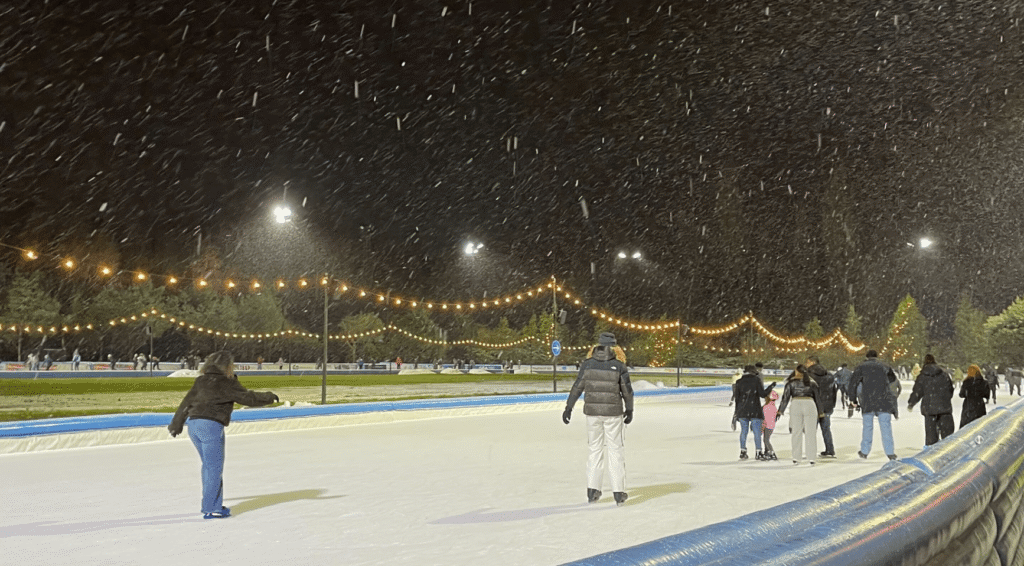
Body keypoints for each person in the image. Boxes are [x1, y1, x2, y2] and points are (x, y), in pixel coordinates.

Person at [168, 351, 279, 519]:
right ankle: (212, 508)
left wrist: (176, 423)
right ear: (228, 366)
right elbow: (248, 398)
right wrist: (268, 397)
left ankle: (213, 504)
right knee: (213, 468)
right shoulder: (226, 383)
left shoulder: (201, 381)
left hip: (194, 425)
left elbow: (187, 402)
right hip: (211, 426)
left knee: (208, 466)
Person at [562, 332, 634, 507]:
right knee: (615, 450)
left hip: (593, 413)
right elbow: (627, 391)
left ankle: (593, 489)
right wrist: (629, 409)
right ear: (615, 347)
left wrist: (568, 407)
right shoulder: (619, 366)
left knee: (594, 450)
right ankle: (618, 492)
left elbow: (577, 386)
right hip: (613, 413)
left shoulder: (587, 364)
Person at [848, 350, 900, 461]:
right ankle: (890, 452)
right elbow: (893, 379)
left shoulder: (861, 367)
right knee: (886, 426)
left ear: (867, 357)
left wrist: (853, 399)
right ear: (877, 356)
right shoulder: (885, 366)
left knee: (867, 427)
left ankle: (864, 451)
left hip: (868, 400)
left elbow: (853, 384)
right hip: (883, 400)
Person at [906, 354, 955, 446]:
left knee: (931, 437)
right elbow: (950, 389)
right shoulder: (944, 374)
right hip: (944, 408)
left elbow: (917, 391)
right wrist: (944, 398)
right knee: (948, 437)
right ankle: (949, 454)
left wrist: (911, 403)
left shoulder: (923, 376)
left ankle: (931, 455)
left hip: (929, 409)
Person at [778, 364, 822, 465]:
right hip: (810, 404)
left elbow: (785, 398)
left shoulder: (791, 383)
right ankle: (812, 458)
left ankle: (796, 458)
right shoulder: (812, 383)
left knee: (796, 432)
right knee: (810, 433)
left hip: (796, 404)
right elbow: (818, 399)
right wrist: (821, 412)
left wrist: (780, 411)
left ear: (797, 371)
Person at [733, 365, 774, 460]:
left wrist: (736, 412)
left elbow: (737, 399)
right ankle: (758, 452)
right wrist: (771, 386)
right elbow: (762, 394)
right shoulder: (756, 380)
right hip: (754, 409)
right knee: (756, 432)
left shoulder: (739, 382)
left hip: (742, 410)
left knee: (744, 431)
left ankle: (743, 451)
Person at [804, 356, 837, 458]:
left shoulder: (808, 376)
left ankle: (811, 451)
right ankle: (830, 450)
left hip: (813, 406)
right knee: (826, 429)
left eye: (808, 362)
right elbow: (833, 392)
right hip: (827, 406)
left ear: (813, 362)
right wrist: (832, 405)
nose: (806, 364)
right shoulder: (830, 376)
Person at [959, 364, 990, 429]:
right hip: (979, 405)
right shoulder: (984, 382)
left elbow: (961, 394)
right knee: (979, 425)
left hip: (968, 405)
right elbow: (986, 394)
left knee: (966, 426)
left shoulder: (966, 382)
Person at [760, 389, 780, 460]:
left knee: (766, 440)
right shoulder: (773, 407)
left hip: (767, 426)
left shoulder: (766, 407)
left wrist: (763, 425)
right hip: (771, 426)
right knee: (766, 439)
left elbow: (764, 418)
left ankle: (772, 452)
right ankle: (767, 452)